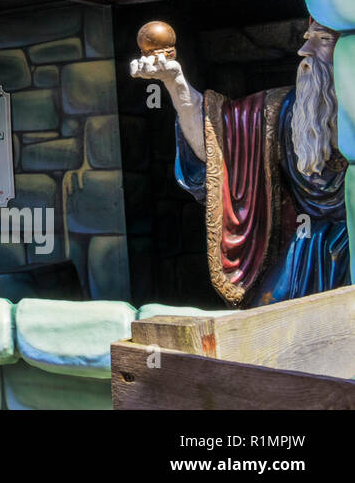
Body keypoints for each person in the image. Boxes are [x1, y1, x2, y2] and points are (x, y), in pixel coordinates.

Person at [132, 18, 349, 306]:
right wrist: (175, 84)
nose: (304, 51)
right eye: (307, 38)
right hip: (307, 254)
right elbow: (220, 142)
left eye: (323, 40)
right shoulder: (284, 110)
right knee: (275, 316)